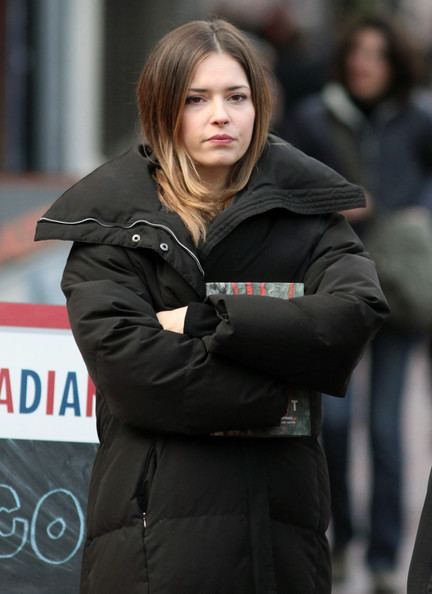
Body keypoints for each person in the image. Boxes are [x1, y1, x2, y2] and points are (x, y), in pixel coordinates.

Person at [34, 18, 388, 594]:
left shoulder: (310, 220)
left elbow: (351, 317)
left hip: (278, 537)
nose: (220, 115)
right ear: (161, 109)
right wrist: (281, 392)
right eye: (196, 99)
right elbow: (133, 372)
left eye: (237, 96)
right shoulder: (111, 226)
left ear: (260, 106)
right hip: (150, 540)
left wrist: (210, 320)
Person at [282, 14, 432, 593]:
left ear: (394, 62)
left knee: (389, 429)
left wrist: (418, 211)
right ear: (345, 59)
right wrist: (336, 203)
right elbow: (287, 186)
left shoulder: (419, 119)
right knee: (336, 424)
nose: (366, 63)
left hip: (401, 289)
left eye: (379, 53)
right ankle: (342, 539)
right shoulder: (313, 118)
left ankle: (382, 557)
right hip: (335, 287)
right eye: (358, 52)